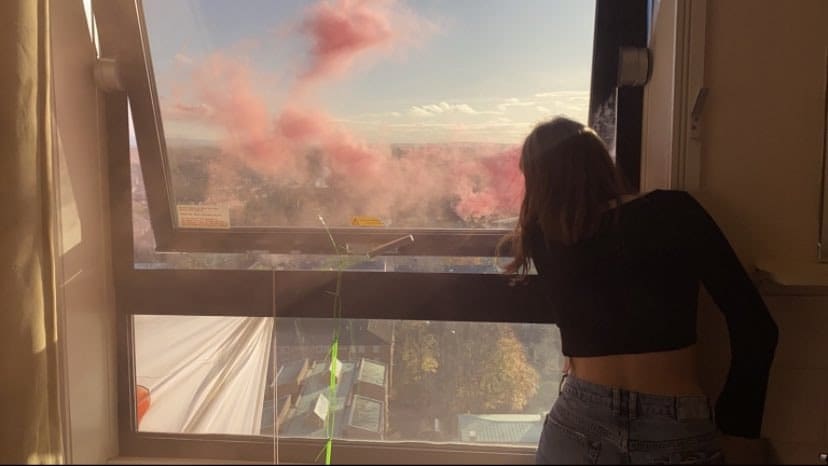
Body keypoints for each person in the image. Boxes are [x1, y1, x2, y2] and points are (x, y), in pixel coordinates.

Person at [501, 117, 778, 464]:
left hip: (577, 420)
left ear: (539, 181)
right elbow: (757, 328)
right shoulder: (674, 212)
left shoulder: (543, 239)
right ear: (600, 161)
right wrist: (739, 430)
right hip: (674, 426)